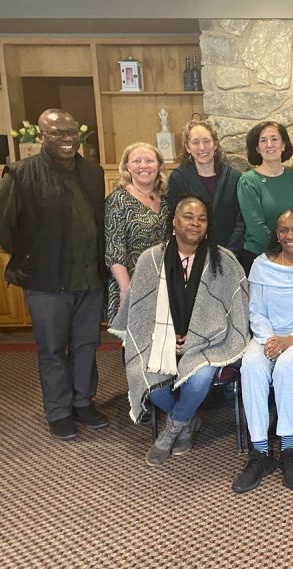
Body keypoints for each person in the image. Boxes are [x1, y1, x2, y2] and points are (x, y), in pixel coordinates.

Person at [110, 194, 250, 466]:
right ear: (174, 221)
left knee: (198, 380)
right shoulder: (151, 259)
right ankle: (186, 419)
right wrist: (164, 339)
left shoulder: (224, 260)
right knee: (146, 377)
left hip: (208, 345)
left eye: (202, 219)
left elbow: (236, 313)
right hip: (160, 341)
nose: (195, 224)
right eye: (188, 217)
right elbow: (139, 312)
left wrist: (195, 339)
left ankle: (171, 430)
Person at [0, 106, 108, 440]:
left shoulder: (93, 172)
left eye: (72, 132)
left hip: (89, 280)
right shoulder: (20, 174)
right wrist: (30, 255)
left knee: (86, 345)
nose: (66, 139)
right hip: (46, 283)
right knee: (52, 349)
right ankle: (58, 411)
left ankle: (82, 402)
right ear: (42, 136)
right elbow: (4, 227)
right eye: (57, 132)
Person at [232, 210, 293, 493]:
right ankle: (261, 453)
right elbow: (256, 311)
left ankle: (288, 450)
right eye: (284, 230)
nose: (290, 236)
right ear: (277, 234)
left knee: (288, 365)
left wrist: (291, 339)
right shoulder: (261, 265)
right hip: (267, 338)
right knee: (250, 365)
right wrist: (269, 340)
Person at [237, 120, 293, 275]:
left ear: (283, 145)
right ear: (257, 148)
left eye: (274, 139)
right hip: (262, 258)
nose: (269, 144)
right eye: (263, 140)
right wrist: (283, 254)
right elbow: (256, 228)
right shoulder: (248, 181)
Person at [104, 142, 170, 323]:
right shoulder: (118, 200)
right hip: (131, 282)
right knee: (134, 341)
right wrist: (127, 289)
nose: (143, 166)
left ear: (158, 166)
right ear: (127, 166)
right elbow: (114, 249)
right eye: (136, 161)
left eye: (149, 161)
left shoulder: (165, 199)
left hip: (163, 281)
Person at [168, 119, 245, 260]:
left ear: (215, 144)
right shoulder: (178, 178)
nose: (202, 147)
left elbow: (241, 221)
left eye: (206, 141)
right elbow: (174, 219)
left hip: (230, 255)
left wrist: (230, 254)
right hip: (190, 256)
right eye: (195, 142)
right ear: (187, 147)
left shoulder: (234, 178)